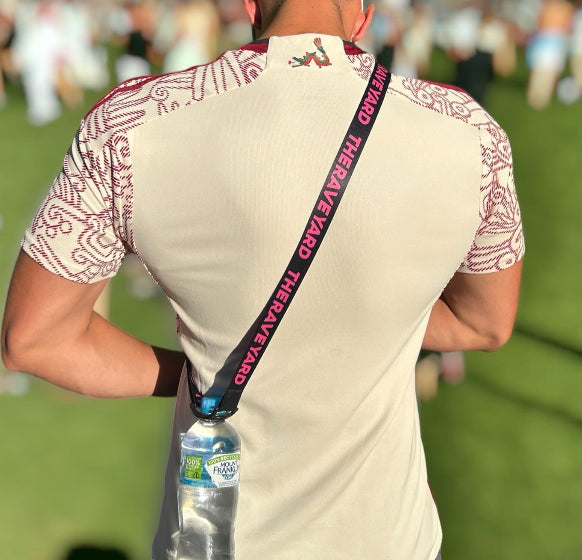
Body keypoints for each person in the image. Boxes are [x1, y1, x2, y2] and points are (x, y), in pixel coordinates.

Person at [1, 0, 524, 559]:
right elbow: (483, 323)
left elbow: (37, 340)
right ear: (364, 16)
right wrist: (364, 331)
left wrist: (201, 376)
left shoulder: (129, 124)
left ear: (251, 6)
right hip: (388, 538)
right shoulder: (468, 131)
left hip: (217, 543)